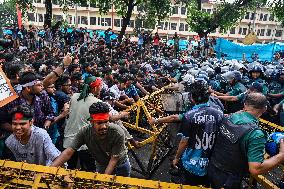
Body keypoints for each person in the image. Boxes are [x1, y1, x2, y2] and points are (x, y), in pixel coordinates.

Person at [150, 81, 223, 186]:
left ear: (192, 98)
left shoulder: (190, 116)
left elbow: (183, 142)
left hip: (192, 161)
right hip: (211, 159)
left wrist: (176, 158)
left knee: (188, 182)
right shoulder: (219, 113)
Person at [208, 93, 284, 188]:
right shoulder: (256, 134)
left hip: (213, 167)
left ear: (244, 105)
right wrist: (281, 156)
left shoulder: (230, 117)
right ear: (264, 109)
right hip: (229, 179)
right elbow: (255, 169)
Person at [51, 101, 130, 177]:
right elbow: (69, 151)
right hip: (102, 164)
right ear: (91, 122)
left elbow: (114, 160)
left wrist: (103, 179)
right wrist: (49, 170)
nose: (103, 127)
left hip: (120, 165)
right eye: (99, 123)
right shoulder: (85, 132)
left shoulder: (117, 132)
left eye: (106, 122)